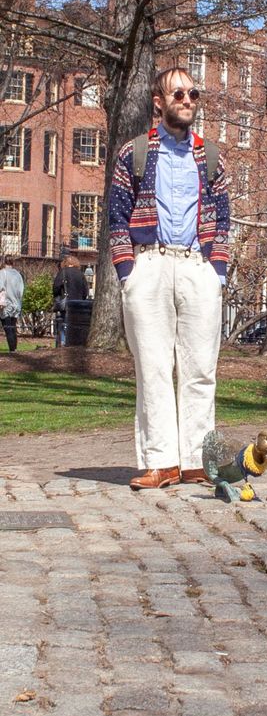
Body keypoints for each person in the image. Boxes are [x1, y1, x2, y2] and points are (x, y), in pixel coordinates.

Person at [108, 66, 229, 490]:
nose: (187, 100)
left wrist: (217, 272)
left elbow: (224, 220)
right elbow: (117, 217)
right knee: (154, 367)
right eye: (178, 93)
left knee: (200, 369)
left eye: (193, 93)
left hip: (198, 265)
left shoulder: (211, 156)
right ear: (159, 101)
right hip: (150, 264)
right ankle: (160, 461)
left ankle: (196, 460)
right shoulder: (134, 153)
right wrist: (128, 272)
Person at [52, 252, 89, 347]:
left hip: (66, 303)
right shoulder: (81, 274)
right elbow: (86, 291)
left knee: (64, 324)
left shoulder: (63, 272)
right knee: (76, 325)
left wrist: (58, 296)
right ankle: (74, 343)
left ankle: (64, 342)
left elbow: (55, 287)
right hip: (79, 305)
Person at [0, 253, 24, 353]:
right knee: (13, 327)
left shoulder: (2, 273)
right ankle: (14, 348)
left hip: (6, 304)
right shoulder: (18, 274)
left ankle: (12, 349)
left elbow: (0, 287)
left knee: (7, 328)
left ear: (4, 261)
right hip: (16, 304)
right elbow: (21, 290)